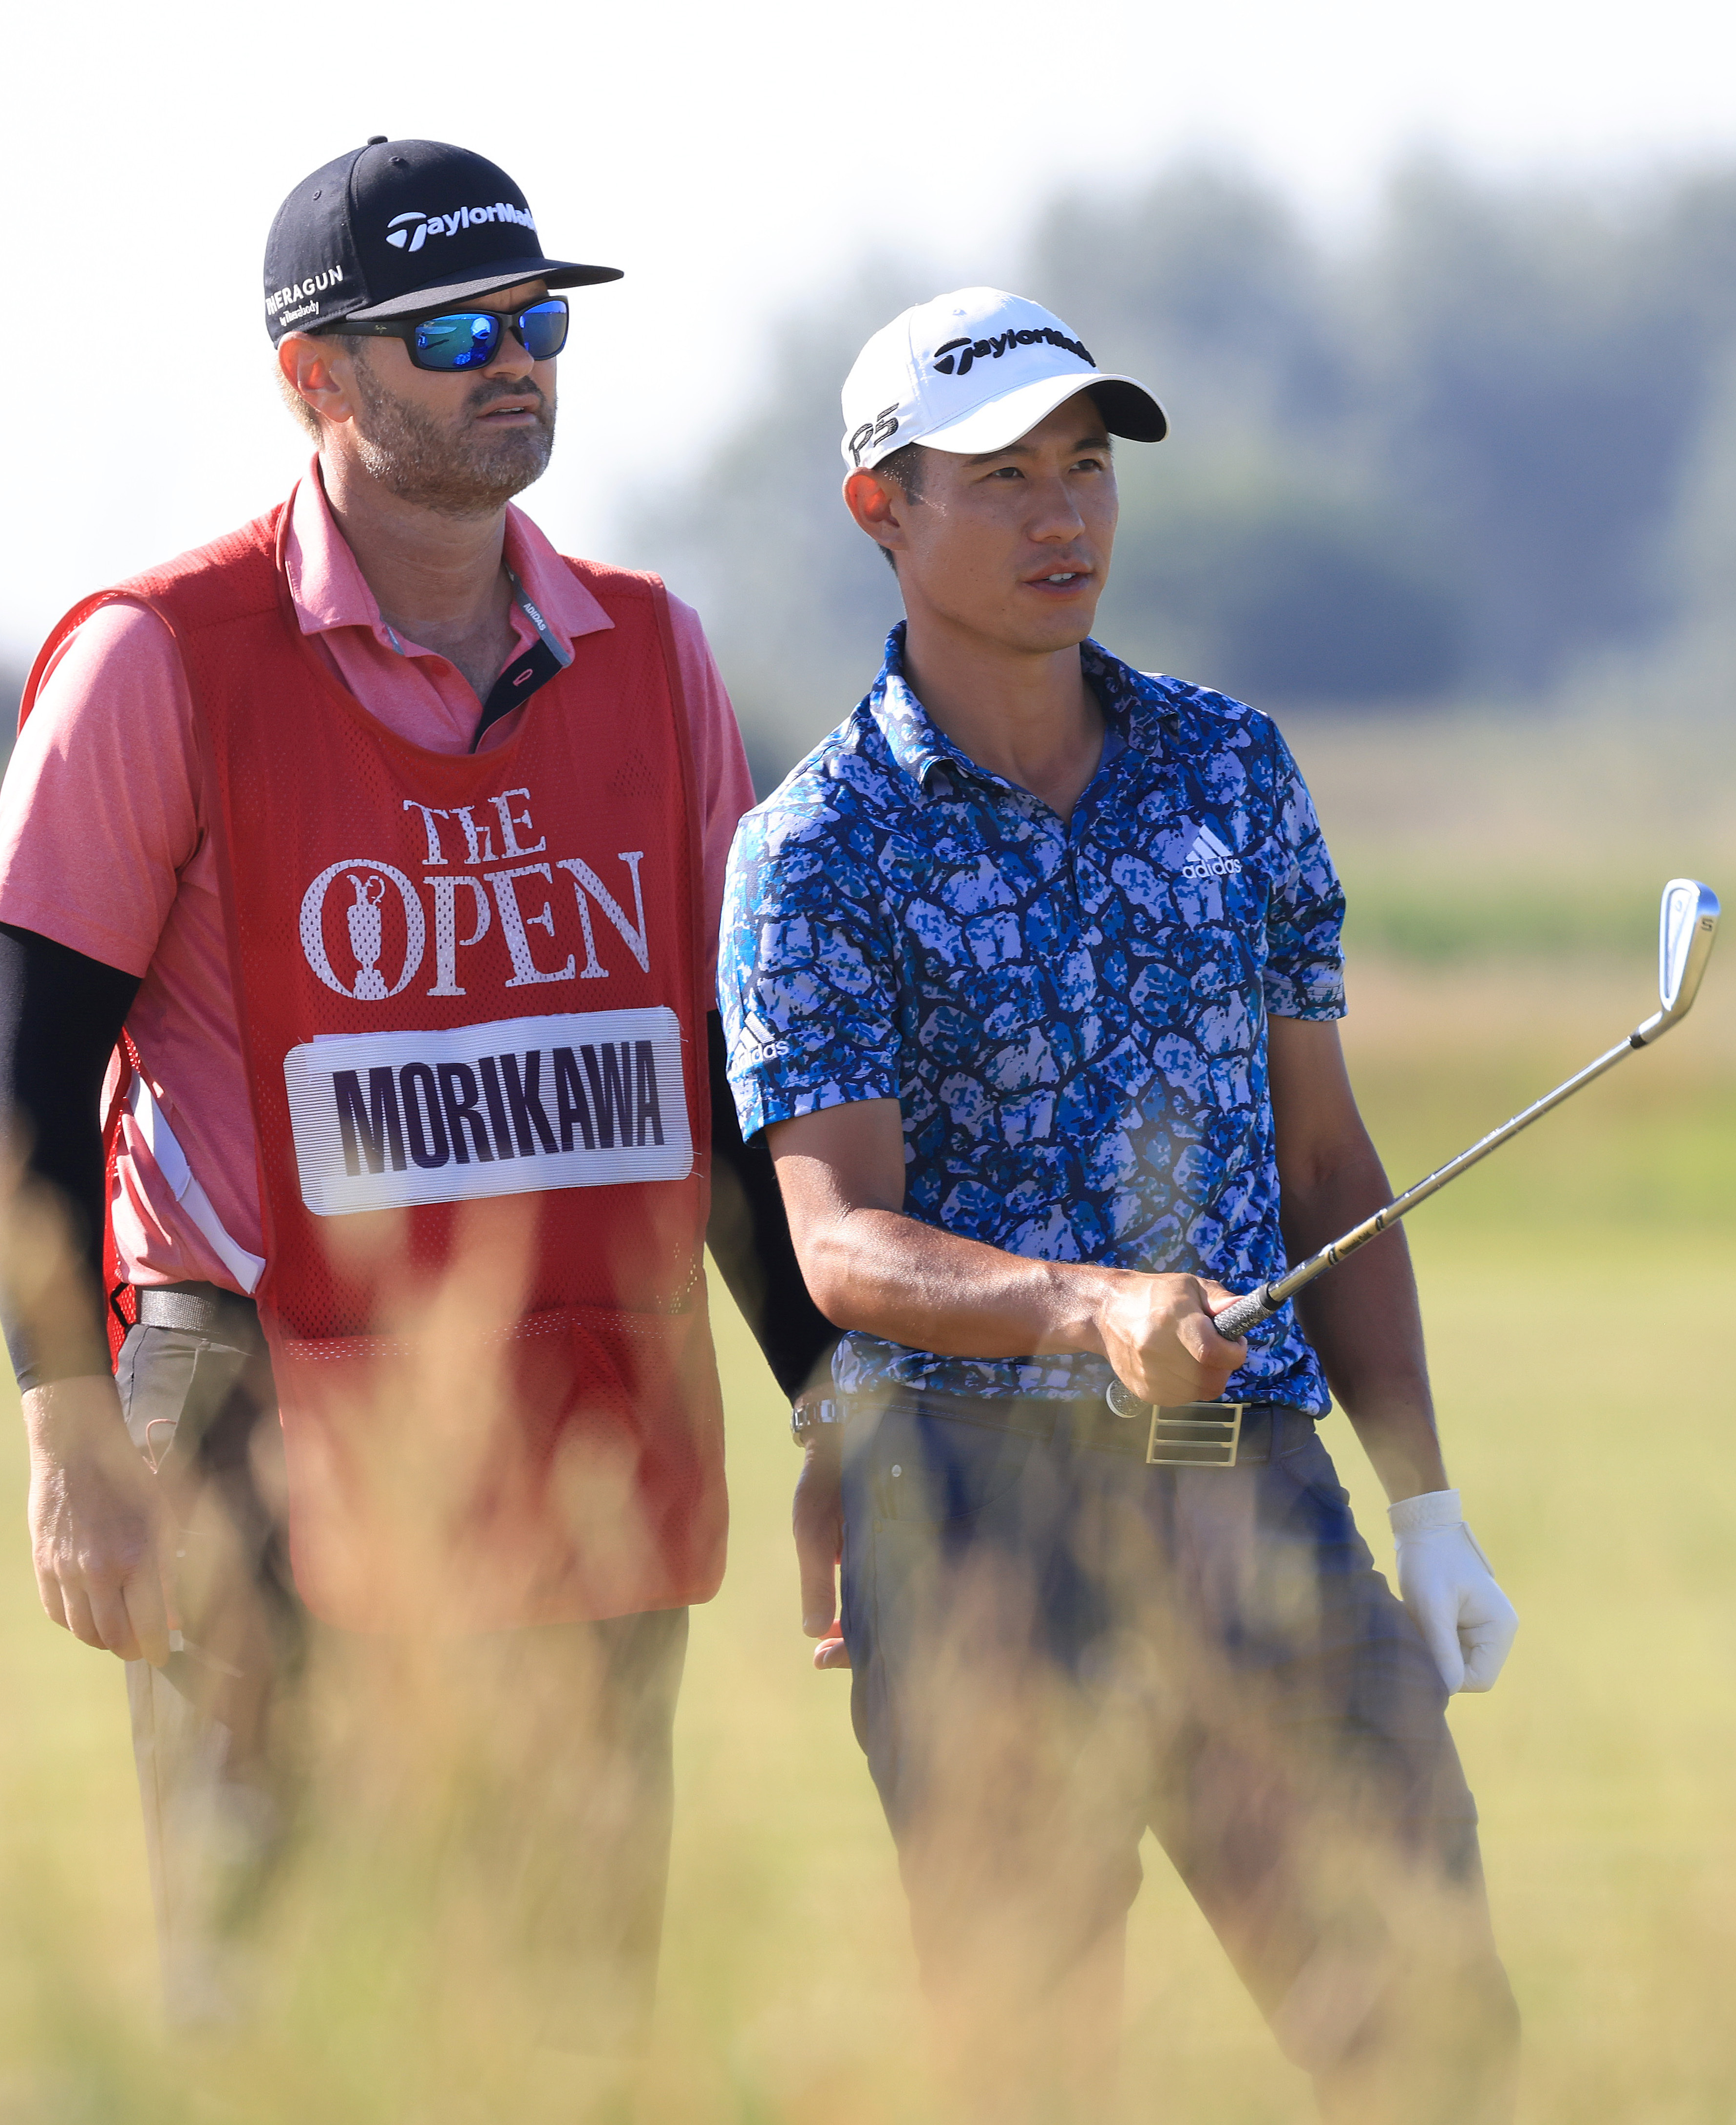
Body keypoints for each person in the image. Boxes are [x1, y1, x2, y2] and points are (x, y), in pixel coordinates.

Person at [0, 138, 829, 2048]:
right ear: (318, 378)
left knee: (575, 2005)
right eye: (455, 331)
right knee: (279, 1995)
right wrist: (64, 1432)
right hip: (255, 1408)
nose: (515, 361)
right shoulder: (153, 658)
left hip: (589, 1396)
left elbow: (726, 1069)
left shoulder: (655, 651)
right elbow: (25, 1084)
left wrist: (831, 1392)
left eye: (537, 320)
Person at [716, 287, 1524, 2120]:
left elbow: (1326, 1159)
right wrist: (1087, 1304)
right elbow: (837, 1239)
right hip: (977, 1543)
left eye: (1084, 468)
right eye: (1000, 478)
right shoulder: (815, 850)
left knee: (1433, 2045)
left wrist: (1432, 1504)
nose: (1061, 515)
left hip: (1252, 1505)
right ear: (881, 512)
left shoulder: (1230, 768)